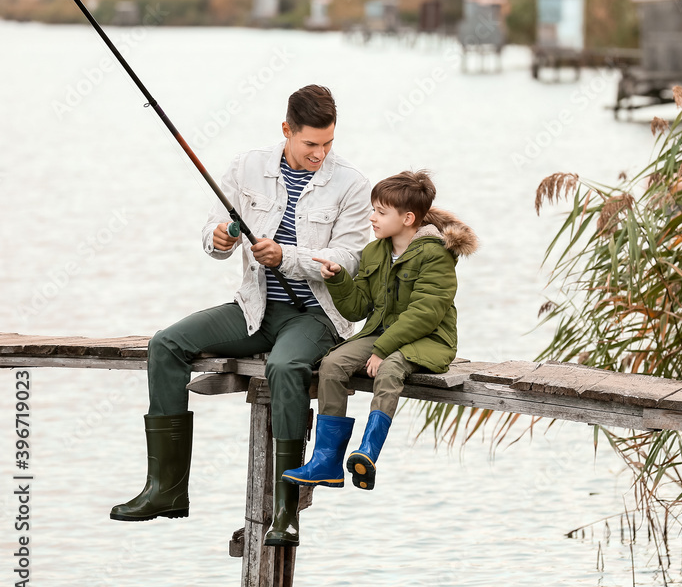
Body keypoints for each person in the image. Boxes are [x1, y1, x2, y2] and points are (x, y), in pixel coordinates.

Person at [110, 85, 372, 549]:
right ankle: (166, 490)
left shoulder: (351, 183)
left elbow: (348, 258)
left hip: (314, 318)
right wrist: (221, 239)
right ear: (286, 130)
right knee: (166, 344)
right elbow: (211, 241)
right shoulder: (247, 166)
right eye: (311, 143)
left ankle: (285, 512)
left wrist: (287, 258)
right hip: (254, 310)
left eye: (328, 144)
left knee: (284, 366)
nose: (320, 154)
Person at [282, 170, 477, 491]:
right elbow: (358, 309)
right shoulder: (375, 252)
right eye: (373, 209)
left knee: (390, 369)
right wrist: (339, 280)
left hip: (428, 340)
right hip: (381, 335)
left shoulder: (436, 255)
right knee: (332, 365)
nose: (371, 218)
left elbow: (425, 314)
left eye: (380, 212)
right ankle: (326, 462)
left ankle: (368, 453)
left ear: (408, 218)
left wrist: (381, 350)